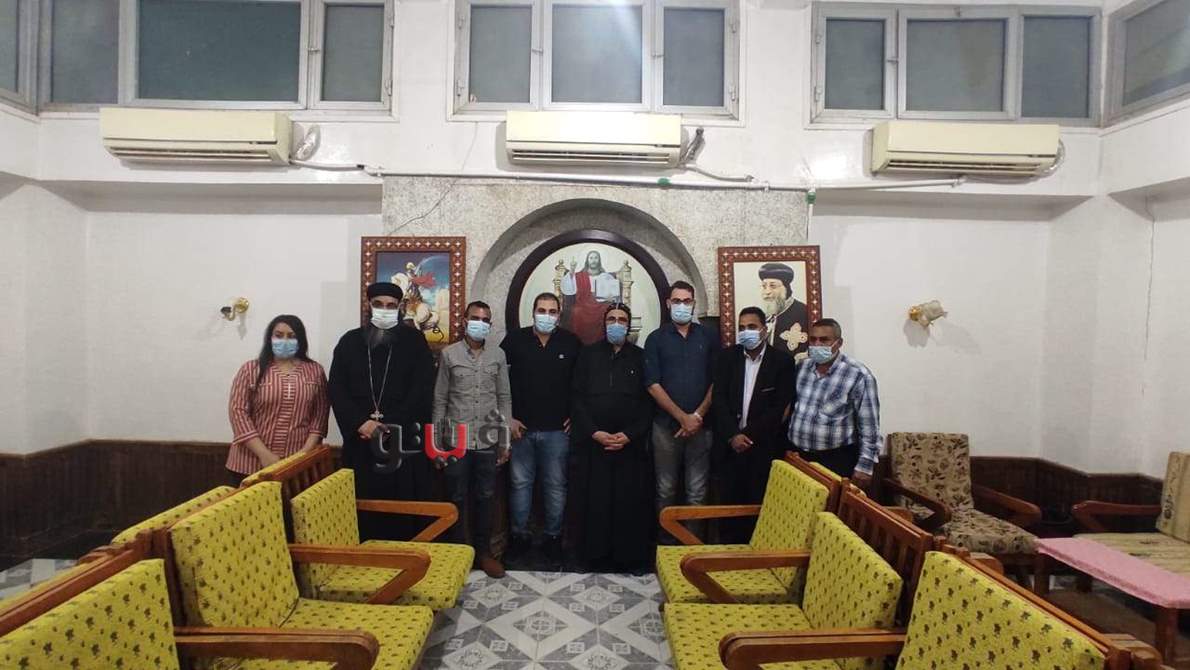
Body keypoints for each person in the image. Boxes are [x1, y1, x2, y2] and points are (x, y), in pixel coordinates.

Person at [328, 282, 436, 541]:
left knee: (402, 514)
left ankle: (404, 559)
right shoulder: (349, 342)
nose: (384, 310)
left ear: (399, 308)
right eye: (378, 304)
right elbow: (337, 389)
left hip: (401, 445)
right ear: (368, 305)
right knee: (362, 512)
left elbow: (422, 391)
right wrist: (361, 423)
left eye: (390, 305)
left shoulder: (414, 341)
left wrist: (389, 426)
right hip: (361, 444)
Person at [500, 292, 581, 566]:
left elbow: (581, 383)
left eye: (552, 311)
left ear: (559, 315)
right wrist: (507, 418)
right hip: (520, 430)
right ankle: (519, 537)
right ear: (533, 312)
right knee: (520, 485)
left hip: (557, 431)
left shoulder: (571, 342)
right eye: (541, 310)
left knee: (555, 486)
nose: (546, 315)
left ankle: (553, 539)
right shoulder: (514, 340)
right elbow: (499, 381)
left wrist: (575, 415)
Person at [571, 303, 653, 572]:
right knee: (596, 501)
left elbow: (648, 403)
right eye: (611, 319)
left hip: (629, 445)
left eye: (621, 320)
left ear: (628, 325)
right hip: (594, 443)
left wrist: (629, 435)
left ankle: (627, 559)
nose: (616, 324)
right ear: (604, 324)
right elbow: (577, 398)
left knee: (627, 503)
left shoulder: (641, 357)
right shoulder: (587, 355)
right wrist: (594, 432)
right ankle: (594, 558)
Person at [432, 301, 512, 578]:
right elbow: (440, 399)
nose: (480, 323)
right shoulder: (449, 354)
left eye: (485, 319)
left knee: (486, 496)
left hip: (487, 439)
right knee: (456, 496)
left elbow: (504, 398)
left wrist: (505, 440)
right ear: (464, 321)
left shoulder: (498, 355)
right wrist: (436, 442)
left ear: (490, 324)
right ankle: (458, 553)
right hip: (456, 439)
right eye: (475, 318)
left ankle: (484, 553)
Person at [711, 307, 796, 543]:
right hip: (729, 447)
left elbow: (779, 407)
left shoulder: (782, 362)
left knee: (758, 506)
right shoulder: (726, 358)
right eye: (741, 327)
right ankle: (728, 555)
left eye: (751, 327)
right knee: (729, 509)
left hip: (762, 447)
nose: (746, 331)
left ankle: (756, 555)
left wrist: (747, 436)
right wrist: (733, 435)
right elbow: (719, 399)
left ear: (764, 330)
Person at [644, 280, 719, 541]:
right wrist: (682, 418)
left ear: (694, 304)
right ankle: (666, 547)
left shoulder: (708, 337)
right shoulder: (656, 339)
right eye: (677, 301)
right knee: (665, 490)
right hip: (665, 428)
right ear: (668, 304)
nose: (682, 306)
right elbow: (652, 384)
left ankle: (691, 547)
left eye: (687, 301)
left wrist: (696, 417)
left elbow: (717, 380)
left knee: (697, 492)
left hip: (701, 427)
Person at [226, 315, 329, 478]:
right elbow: (238, 412)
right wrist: (264, 454)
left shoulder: (315, 371)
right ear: (270, 338)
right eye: (279, 335)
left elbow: (320, 415)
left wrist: (303, 455)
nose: (285, 341)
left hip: (297, 464)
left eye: (291, 336)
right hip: (250, 464)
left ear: (300, 340)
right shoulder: (250, 369)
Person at [787, 318, 881, 487]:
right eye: (813, 339)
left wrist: (865, 465)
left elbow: (869, 425)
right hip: (798, 456)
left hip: (834, 460)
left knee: (830, 504)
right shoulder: (802, 368)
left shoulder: (858, 375)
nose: (817, 345)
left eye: (824, 340)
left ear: (839, 343)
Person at [561, 250, 622, 345]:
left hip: (601, 304)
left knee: (606, 310)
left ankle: (601, 343)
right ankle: (577, 342)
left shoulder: (606, 276)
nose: (593, 260)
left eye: (596, 258)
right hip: (583, 303)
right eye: (591, 258)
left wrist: (611, 297)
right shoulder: (579, 276)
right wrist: (572, 271)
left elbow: (614, 295)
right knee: (576, 311)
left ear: (599, 260)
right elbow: (568, 289)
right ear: (587, 260)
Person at [758, 262, 810, 358]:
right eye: (764, 286)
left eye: (773, 286)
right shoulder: (765, 317)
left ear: (786, 288)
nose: (767, 292)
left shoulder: (805, 312)